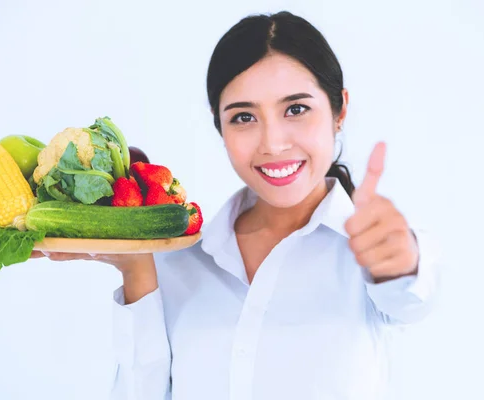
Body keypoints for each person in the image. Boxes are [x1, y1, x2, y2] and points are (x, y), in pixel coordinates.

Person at [34, 10, 440, 400]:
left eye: (296, 109)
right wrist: (136, 267)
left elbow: (412, 294)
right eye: (244, 117)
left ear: (340, 110)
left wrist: (402, 259)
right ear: (219, 124)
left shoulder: (372, 254)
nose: (273, 143)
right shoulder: (181, 259)